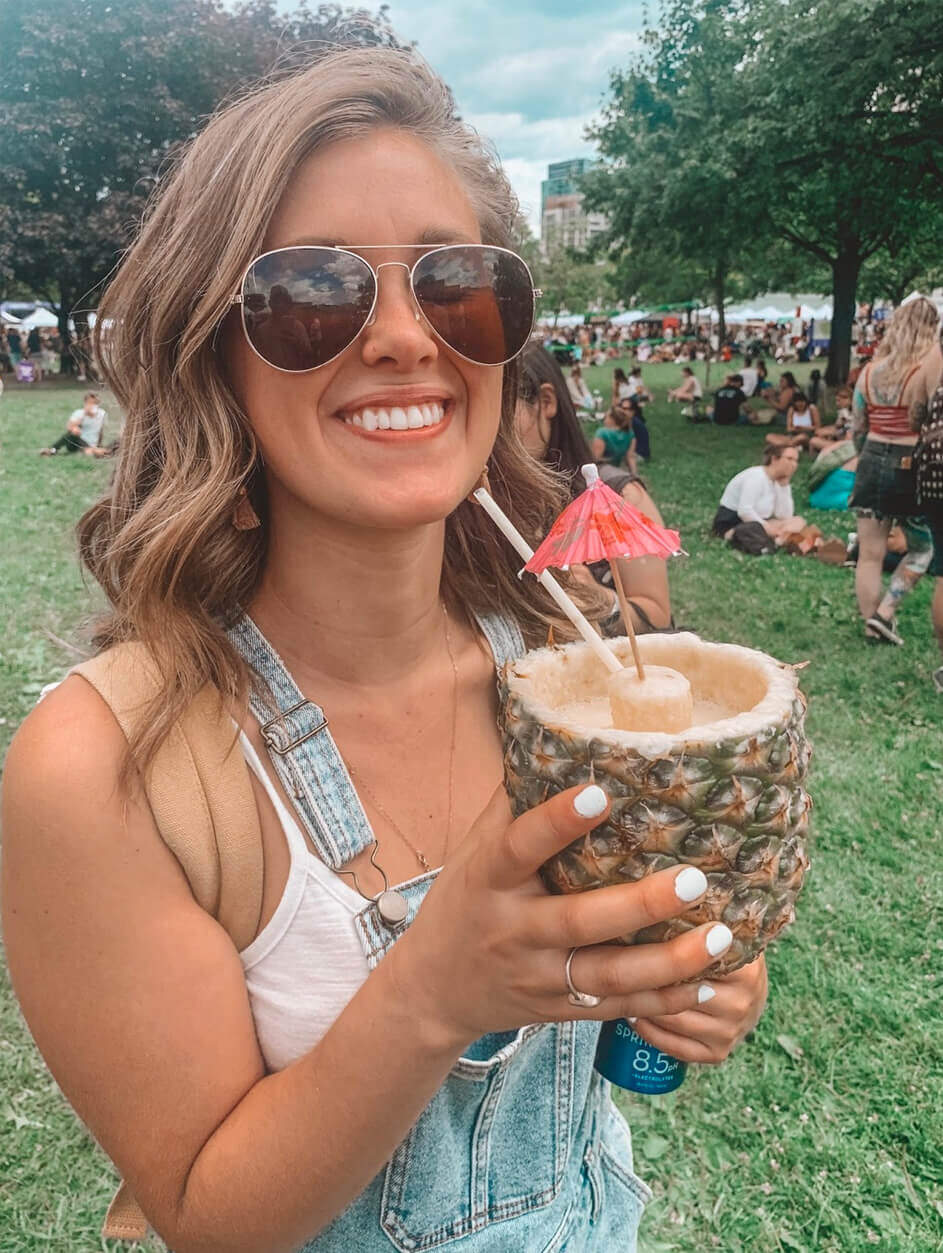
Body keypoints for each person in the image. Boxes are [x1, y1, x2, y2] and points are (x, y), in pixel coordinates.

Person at [1, 48, 768, 1253]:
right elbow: (208, 1214)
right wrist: (433, 988)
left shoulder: (574, 673)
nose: (410, 338)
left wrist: (689, 986)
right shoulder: (105, 769)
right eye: (313, 294)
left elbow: (623, 983)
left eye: (459, 286)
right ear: (215, 354)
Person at [516, 343, 671, 632]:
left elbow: (657, 615)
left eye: (499, 412)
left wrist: (599, 600)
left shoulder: (618, 496)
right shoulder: (475, 504)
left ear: (546, 401)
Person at [849, 296, 939, 645]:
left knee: (869, 554)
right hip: (909, 463)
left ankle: (871, 622)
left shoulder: (870, 372)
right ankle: (885, 613)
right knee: (922, 549)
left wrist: (865, 456)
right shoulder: (927, 371)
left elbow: (858, 426)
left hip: (871, 458)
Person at [712, 445, 806, 540]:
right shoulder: (756, 477)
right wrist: (769, 528)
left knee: (799, 521)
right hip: (734, 524)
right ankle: (781, 540)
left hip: (759, 522)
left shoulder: (778, 481)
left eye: (796, 461)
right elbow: (744, 511)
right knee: (758, 530)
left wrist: (784, 486)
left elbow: (785, 516)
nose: (793, 464)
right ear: (774, 459)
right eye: (789, 459)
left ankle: (780, 539)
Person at [39, 391, 109, 456]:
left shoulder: (102, 414)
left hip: (91, 443)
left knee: (91, 452)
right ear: (85, 403)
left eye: (94, 403)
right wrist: (84, 415)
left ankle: (91, 450)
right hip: (77, 441)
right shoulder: (79, 413)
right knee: (73, 431)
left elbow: (101, 431)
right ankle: (53, 450)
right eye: (89, 403)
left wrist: (99, 444)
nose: (92, 406)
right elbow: (69, 427)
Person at [591, 403, 637, 472]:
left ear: (612, 419)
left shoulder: (602, 433)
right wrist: (634, 474)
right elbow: (630, 457)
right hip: (617, 470)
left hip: (603, 471)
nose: (604, 420)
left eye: (606, 417)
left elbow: (596, 458)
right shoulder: (630, 434)